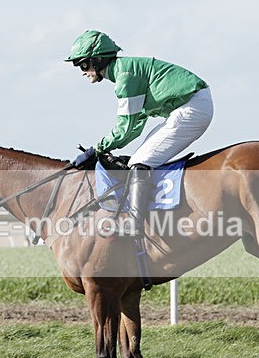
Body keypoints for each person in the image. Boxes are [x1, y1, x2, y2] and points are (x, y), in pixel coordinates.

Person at [66, 30, 213, 237]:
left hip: (192, 108)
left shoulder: (126, 77)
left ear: (97, 60)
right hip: (191, 105)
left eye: (82, 64)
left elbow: (125, 128)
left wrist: (96, 149)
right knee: (138, 158)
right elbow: (134, 127)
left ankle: (134, 223)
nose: (82, 71)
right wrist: (101, 149)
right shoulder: (125, 72)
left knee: (140, 162)